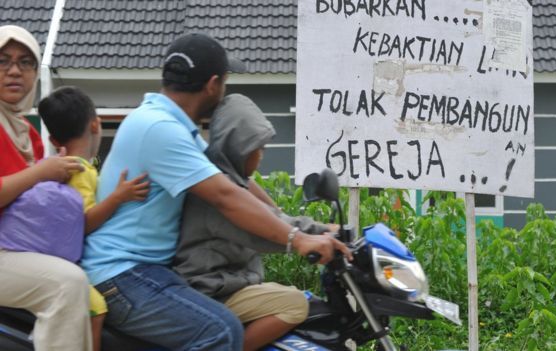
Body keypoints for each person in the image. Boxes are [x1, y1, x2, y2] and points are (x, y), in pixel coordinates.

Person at [80, 32, 351, 351]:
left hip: (145, 270)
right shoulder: (160, 128)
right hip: (123, 274)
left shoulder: (171, 125)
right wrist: (298, 239)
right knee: (221, 331)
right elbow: (226, 196)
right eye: (225, 81)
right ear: (212, 84)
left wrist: (309, 226)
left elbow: (236, 182)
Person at [174, 93, 339, 351]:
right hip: (210, 291)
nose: (260, 157)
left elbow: (274, 215)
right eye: (257, 149)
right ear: (238, 147)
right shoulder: (219, 193)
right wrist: (310, 236)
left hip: (229, 283)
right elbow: (265, 229)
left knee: (300, 297)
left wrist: (323, 229)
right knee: (295, 303)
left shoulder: (231, 180)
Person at [0, 25, 93, 351]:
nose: (14, 70)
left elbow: (30, 199)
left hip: (13, 247)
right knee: (66, 284)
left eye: (26, 62)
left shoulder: (28, 132)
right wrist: (41, 173)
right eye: (3, 60)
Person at [38, 86, 150, 351]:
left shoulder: (72, 168)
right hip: (72, 266)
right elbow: (83, 224)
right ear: (96, 124)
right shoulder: (79, 171)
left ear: (54, 139)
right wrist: (118, 197)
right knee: (97, 308)